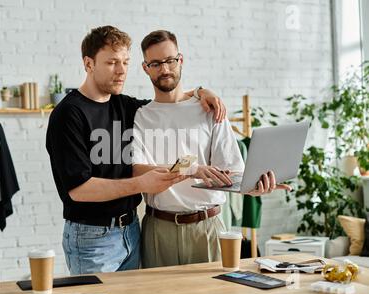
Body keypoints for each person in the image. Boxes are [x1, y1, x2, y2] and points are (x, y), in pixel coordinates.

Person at [46, 25, 228, 275]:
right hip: (92, 238)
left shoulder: (126, 106)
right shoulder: (68, 114)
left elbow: (169, 101)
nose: (121, 71)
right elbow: (79, 189)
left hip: (131, 231)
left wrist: (199, 92)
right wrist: (142, 184)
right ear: (89, 64)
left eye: (125, 62)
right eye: (111, 62)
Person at [132, 30, 292, 268]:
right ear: (145, 68)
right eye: (155, 63)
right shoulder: (142, 116)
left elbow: (232, 174)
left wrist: (255, 187)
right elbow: (138, 172)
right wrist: (191, 168)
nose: (164, 69)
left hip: (207, 228)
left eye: (170, 60)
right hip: (159, 230)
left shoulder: (209, 109)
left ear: (181, 60)